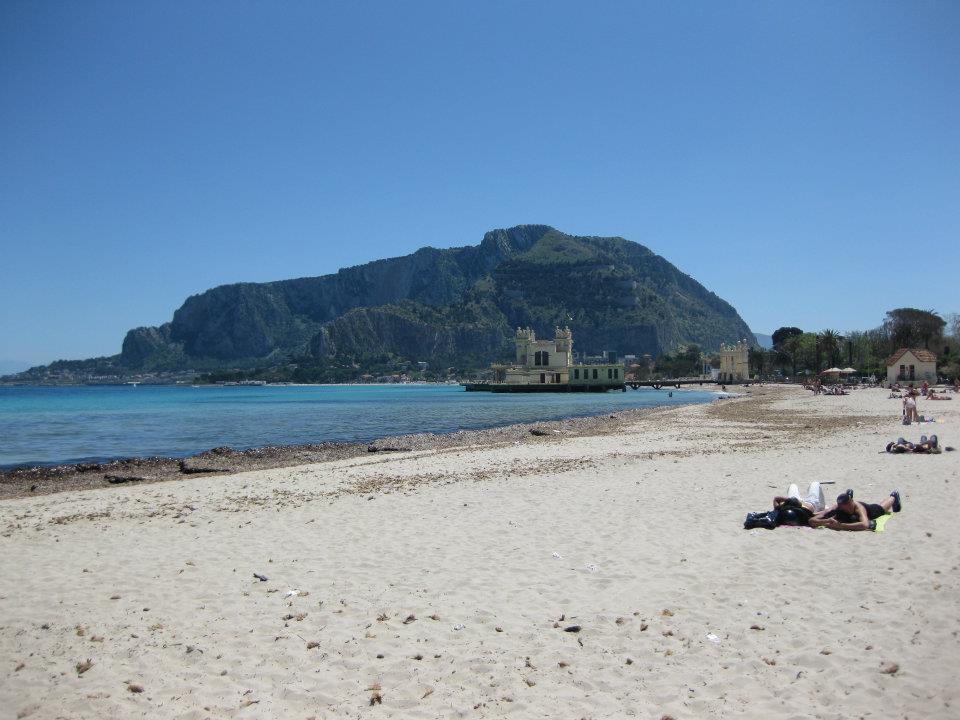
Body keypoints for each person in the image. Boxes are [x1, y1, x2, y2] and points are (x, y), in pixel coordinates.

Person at [810, 489, 901, 531]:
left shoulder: (859, 508)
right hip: (849, 512)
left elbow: (865, 525)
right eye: (846, 506)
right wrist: (827, 520)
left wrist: (841, 526)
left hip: (871, 510)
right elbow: (811, 521)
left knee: (881, 508)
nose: (849, 508)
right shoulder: (837, 507)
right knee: (828, 512)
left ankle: (893, 496)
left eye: (850, 504)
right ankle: (848, 494)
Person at [743, 482, 825, 529]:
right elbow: (820, 514)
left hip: (794, 502)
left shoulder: (781, 509)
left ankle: (795, 500)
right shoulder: (807, 511)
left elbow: (776, 498)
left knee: (792, 486)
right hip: (810, 502)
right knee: (815, 483)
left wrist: (789, 500)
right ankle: (822, 505)